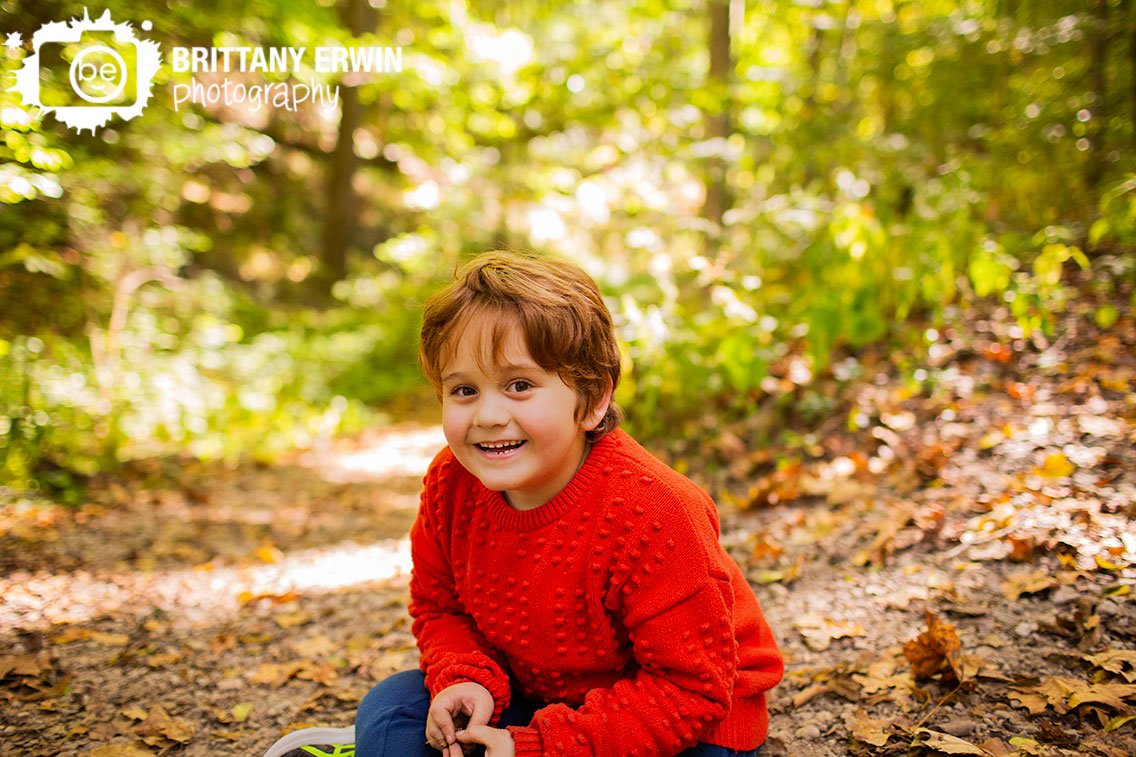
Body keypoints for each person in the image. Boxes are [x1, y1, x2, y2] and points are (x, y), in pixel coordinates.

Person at [356, 251, 783, 757]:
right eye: (464, 389)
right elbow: (440, 605)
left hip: (677, 718)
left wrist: (538, 748)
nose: (489, 415)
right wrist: (463, 678)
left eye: (520, 386)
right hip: (537, 695)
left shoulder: (655, 511)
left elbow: (690, 690)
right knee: (390, 710)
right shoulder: (451, 484)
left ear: (593, 398)